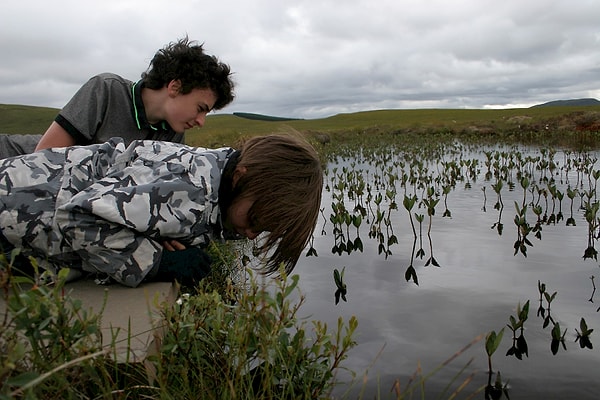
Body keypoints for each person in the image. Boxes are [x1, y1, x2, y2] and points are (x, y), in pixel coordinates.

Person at [0, 134, 323, 288]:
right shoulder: (191, 189)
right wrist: (155, 261)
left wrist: (149, 238)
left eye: (261, 231)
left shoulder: (212, 181)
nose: (251, 234)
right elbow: (77, 216)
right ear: (241, 177)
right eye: (254, 220)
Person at [0, 37, 234, 159]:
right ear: (174, 86)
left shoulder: (172, 133)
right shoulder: (106, 90)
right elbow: (43, 158)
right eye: (201, 108)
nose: (201, 121)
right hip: (13, 157)